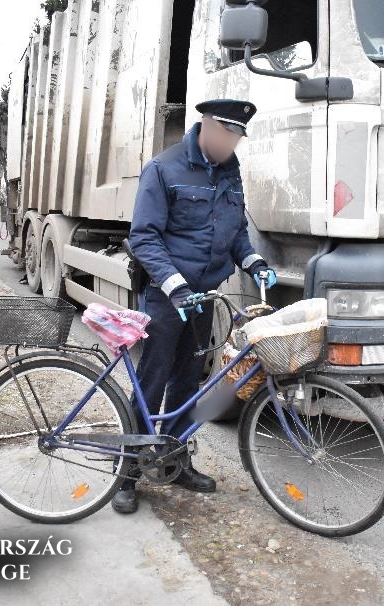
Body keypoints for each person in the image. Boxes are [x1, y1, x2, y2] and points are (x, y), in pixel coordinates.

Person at [113, 99, 277, 514]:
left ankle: (175, 460)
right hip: (166, 297)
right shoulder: (163, 168)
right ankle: (128, 473)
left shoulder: (230, 170)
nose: (230, 144)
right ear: (204, 125)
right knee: (152, 382)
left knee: (188, 382)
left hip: (204, 298)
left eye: (237, 137)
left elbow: (234, 230)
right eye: (226, 134)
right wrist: (174, 285)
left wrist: (254, 261)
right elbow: (145, 236)